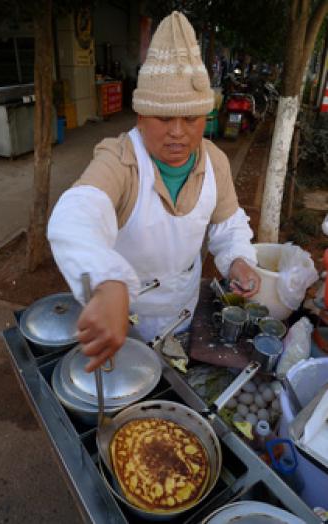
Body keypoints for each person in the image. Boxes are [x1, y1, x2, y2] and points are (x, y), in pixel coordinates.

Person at [48, 11, 260, 373]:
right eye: (164, 118)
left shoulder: (216, 162)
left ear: (205, 118)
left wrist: (239, 258)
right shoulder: (119, 159)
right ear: (141, 117)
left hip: (182, 306)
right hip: (125, 320)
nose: (178, 132)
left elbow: (228, 225)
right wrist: (108, 281)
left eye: (190, 119)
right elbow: (76, 215)